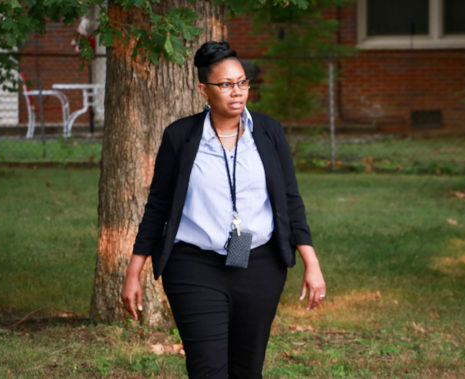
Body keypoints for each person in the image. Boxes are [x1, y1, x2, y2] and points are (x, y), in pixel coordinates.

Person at [121, 41, 326, 378]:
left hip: (260, 265)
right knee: (208, 370)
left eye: (242, 82)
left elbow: (290, 199)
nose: (237, 92)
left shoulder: (269, 132)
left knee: (247, 370)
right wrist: (134, 272)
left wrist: (311, 263)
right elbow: (157, 207)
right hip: (194, 267)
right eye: (226, 84)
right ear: (204, 89)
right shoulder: (180, 137)